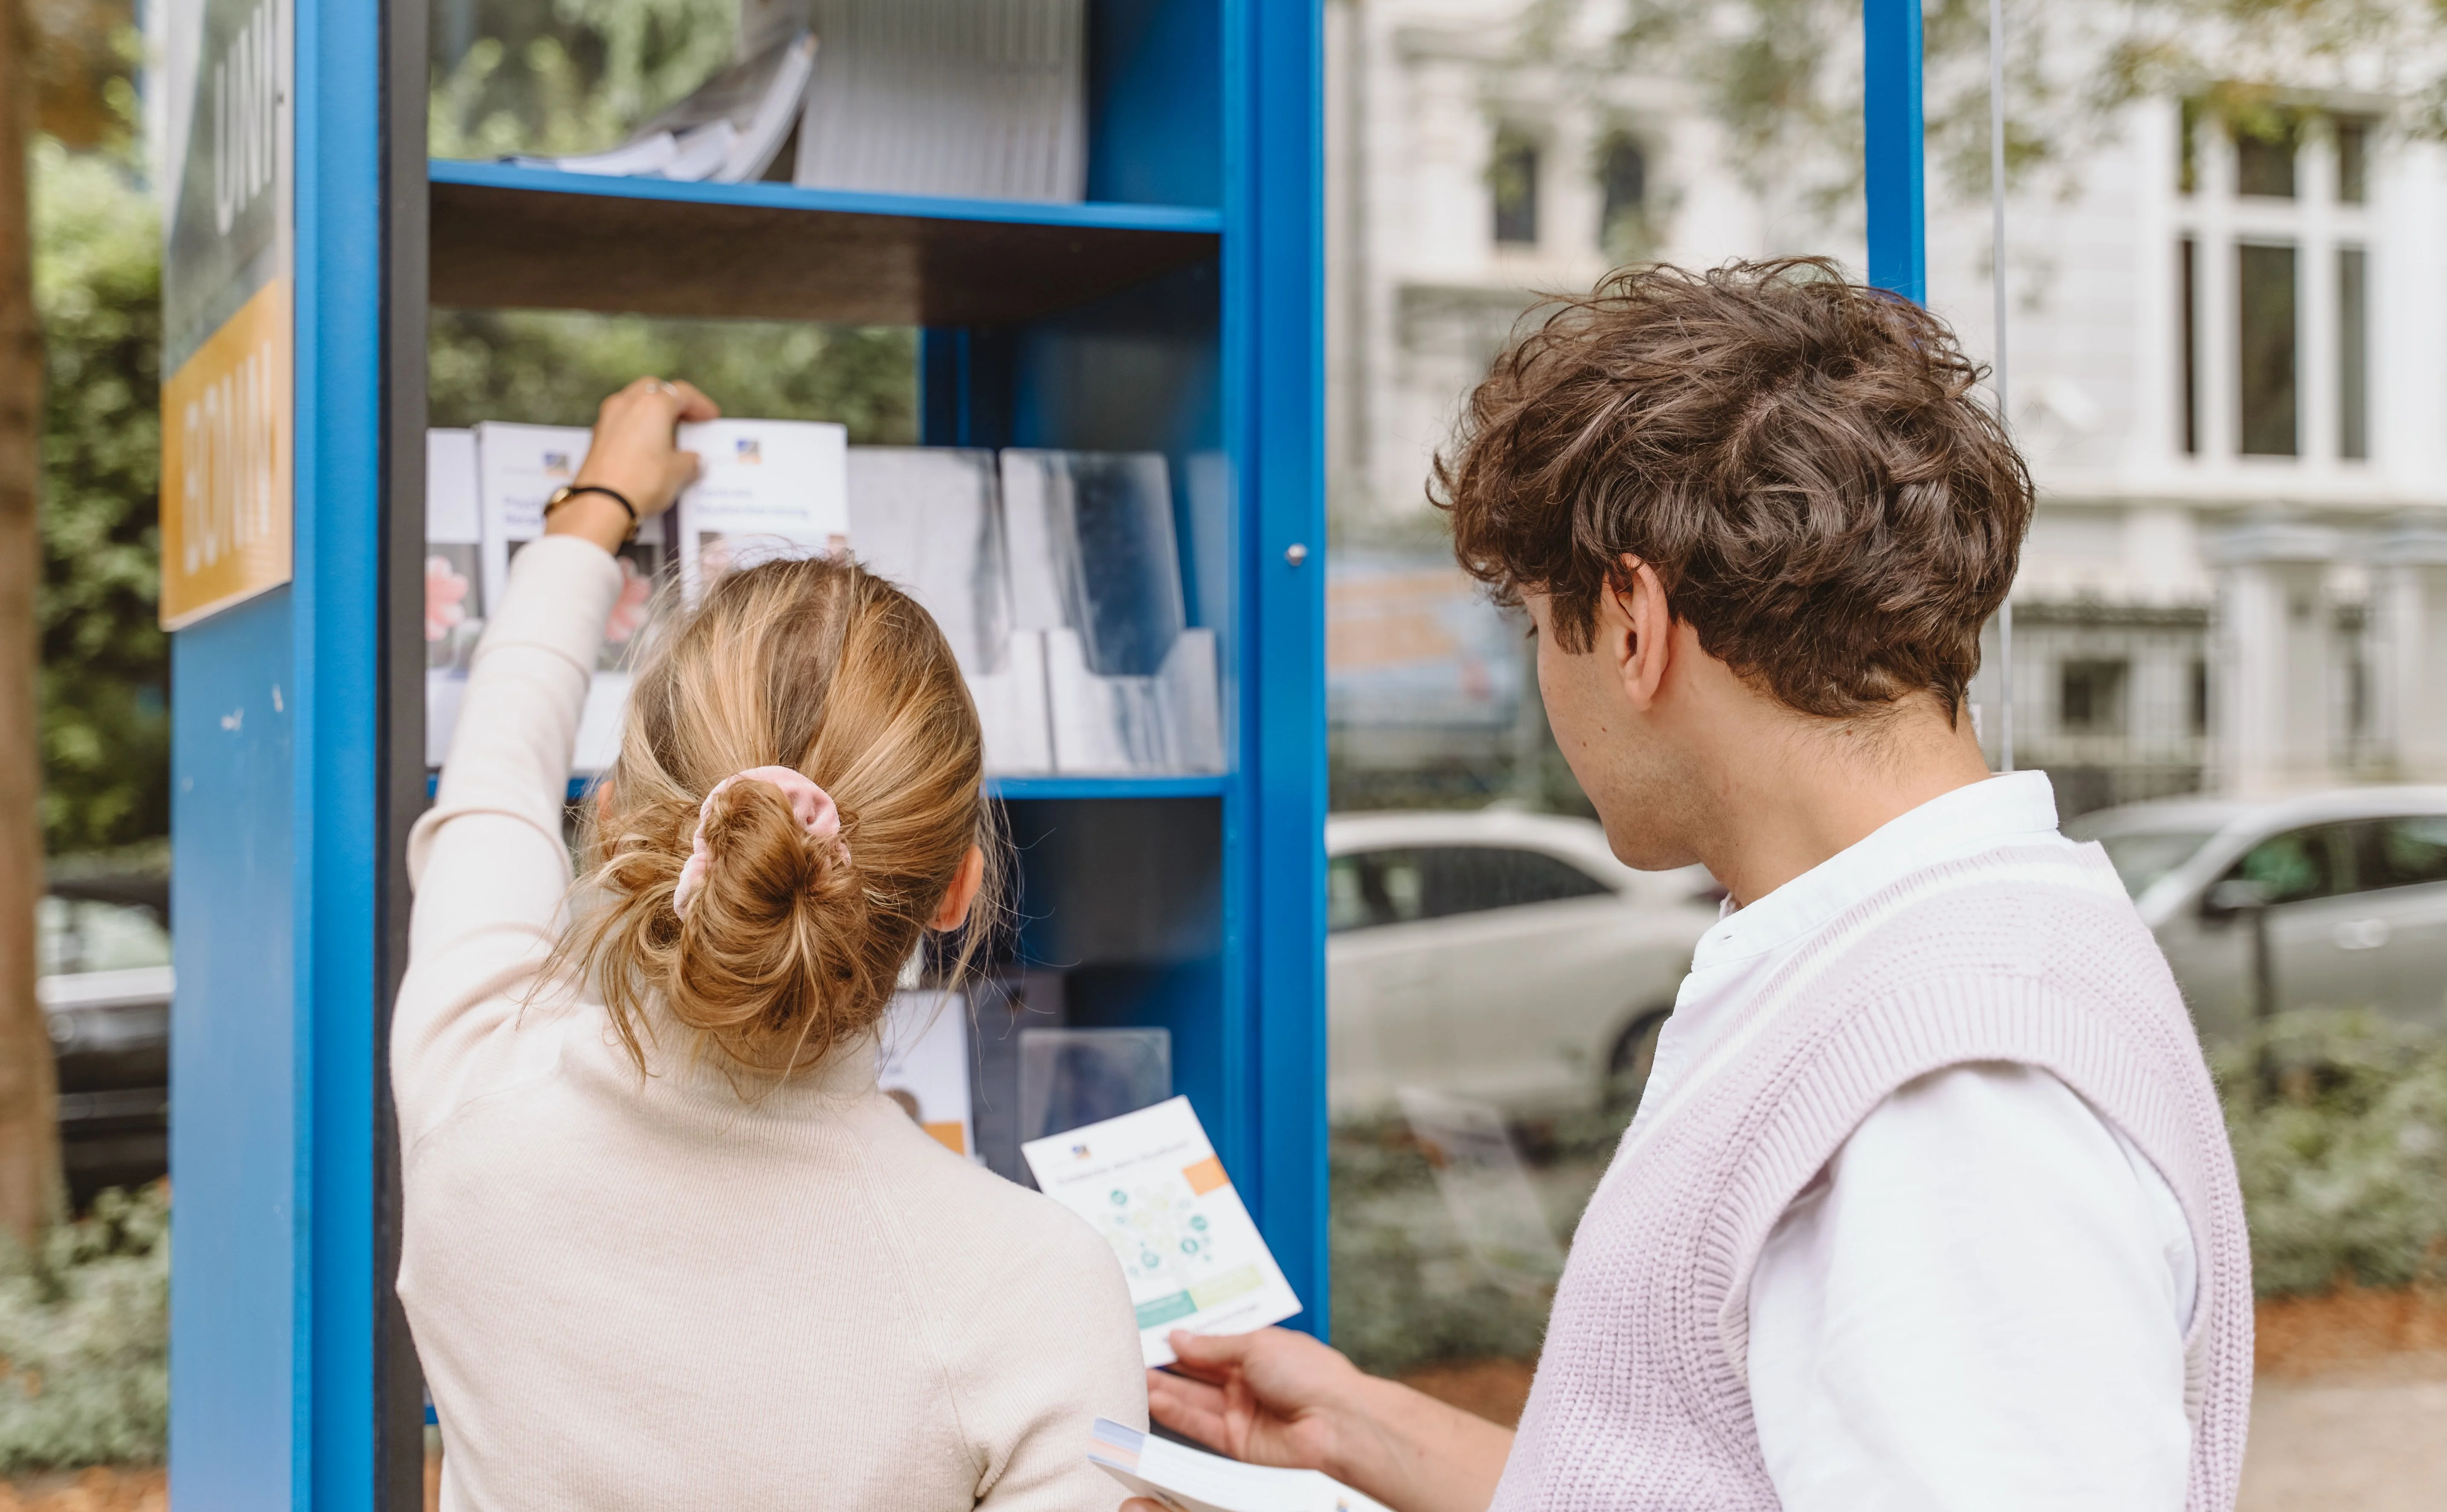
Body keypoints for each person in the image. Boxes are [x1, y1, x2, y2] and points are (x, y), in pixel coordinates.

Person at [1134, 261, 2250, 1512]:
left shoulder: (1952, 1090)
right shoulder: (1940, 959)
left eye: (1537, 625)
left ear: (1633, 622)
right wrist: (1367, 1433)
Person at [396, 377, 1144, 1510]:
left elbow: (494, 785)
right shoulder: (1039, 1289)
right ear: (959, 890)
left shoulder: (473, 1084)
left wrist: (595, 509)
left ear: (613, 830)